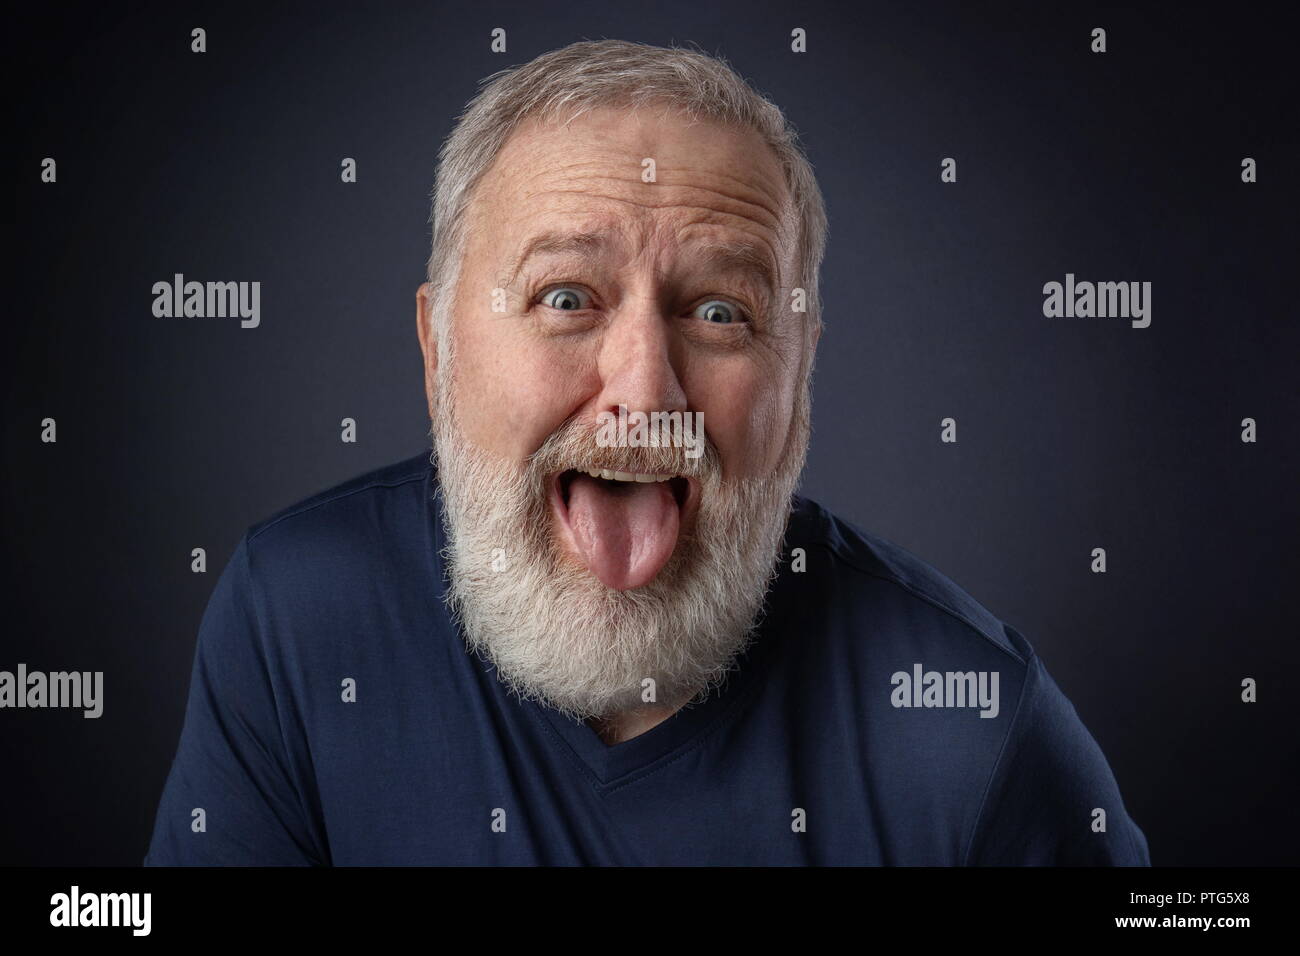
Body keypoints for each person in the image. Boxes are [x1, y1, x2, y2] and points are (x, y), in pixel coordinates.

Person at [144, 39, 1149, 865]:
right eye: (566, 297)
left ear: (797, 375)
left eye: (720, 311)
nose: (645, 392)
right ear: (436, 349)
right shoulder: (295, 614)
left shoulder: (968, 721)